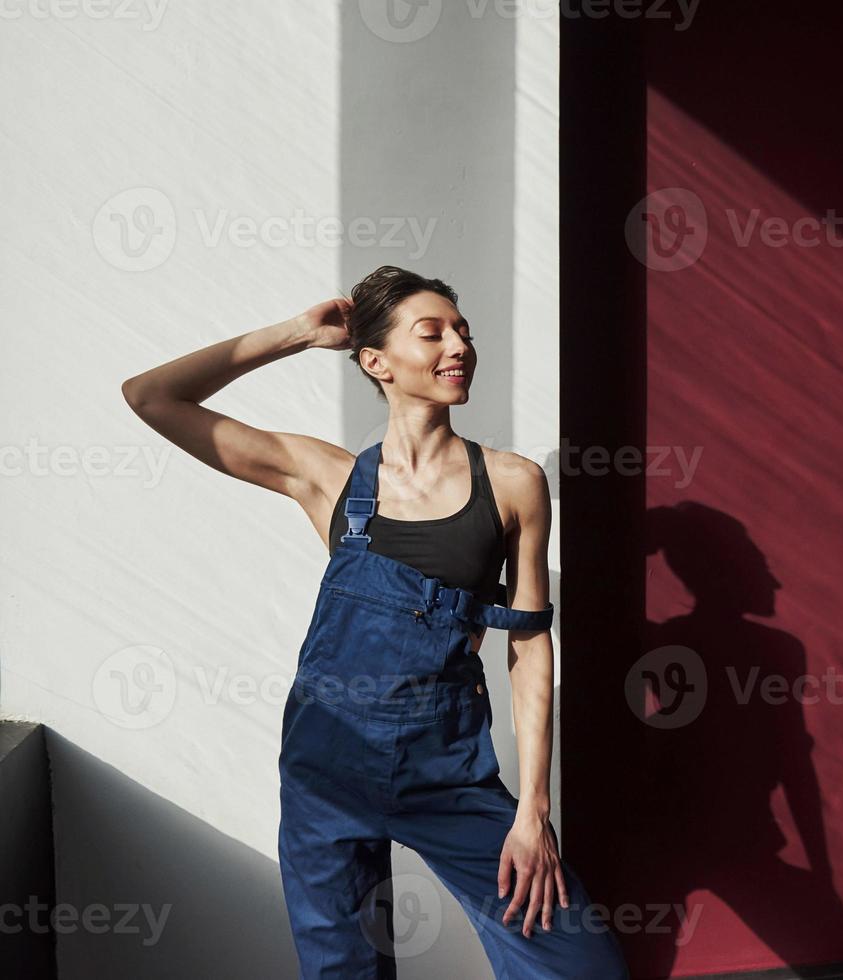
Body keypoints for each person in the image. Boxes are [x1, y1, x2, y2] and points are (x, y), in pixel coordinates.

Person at [122, 265, 629, 978]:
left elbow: (528, 643)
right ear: (375, 362)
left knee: (577, 964)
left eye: (463, 332)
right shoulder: (327, 477)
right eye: (433, 333)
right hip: (324, 775)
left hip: (445, 772)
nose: (457, 345)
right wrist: (296, 334)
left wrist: (533, 811)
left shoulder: (512, 483)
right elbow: (150, 396)